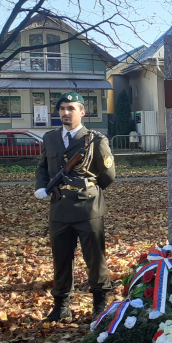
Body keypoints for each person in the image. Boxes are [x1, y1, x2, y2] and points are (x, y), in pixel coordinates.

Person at [34, 92, 116, 321]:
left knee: (94, 259)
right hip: (59, 208)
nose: (65, 112)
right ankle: (61, 307)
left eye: (71, 108)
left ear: (82, 112)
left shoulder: (95, 139)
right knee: (60, 259)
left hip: (88, 209)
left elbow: (108, 174)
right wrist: (41, 186)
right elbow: (42, 167)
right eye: (62, 108)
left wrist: (89, 190)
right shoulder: (50, 138)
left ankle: (100, 305)